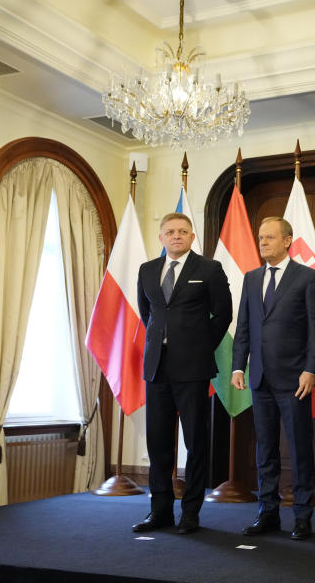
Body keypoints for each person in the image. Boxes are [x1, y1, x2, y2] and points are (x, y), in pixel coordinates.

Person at [133, 212, 232, 534]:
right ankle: (159, 511)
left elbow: (223, 315)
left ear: (192, 237)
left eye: (183, 232)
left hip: (192, 369)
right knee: (158, 443)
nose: (176, 236)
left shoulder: (209, 269)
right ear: (161, 237)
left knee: (196, 442)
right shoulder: (147, 270)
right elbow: (147, 313)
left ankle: (191, 513)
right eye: (170, 232)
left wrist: (201, 347)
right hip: (156, 369)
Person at [231, 217, 315, 541]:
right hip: (260, 380)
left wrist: (311, 370)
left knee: (299, 449)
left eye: (269, 238)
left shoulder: (307, 277)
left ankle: (302, 516)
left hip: (295, 380)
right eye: (260, 238)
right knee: (265, 450)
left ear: (287, 241)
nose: (263, 243)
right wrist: (238, 367)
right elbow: (244, 326)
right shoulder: (251, 278)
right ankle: (267, 513)